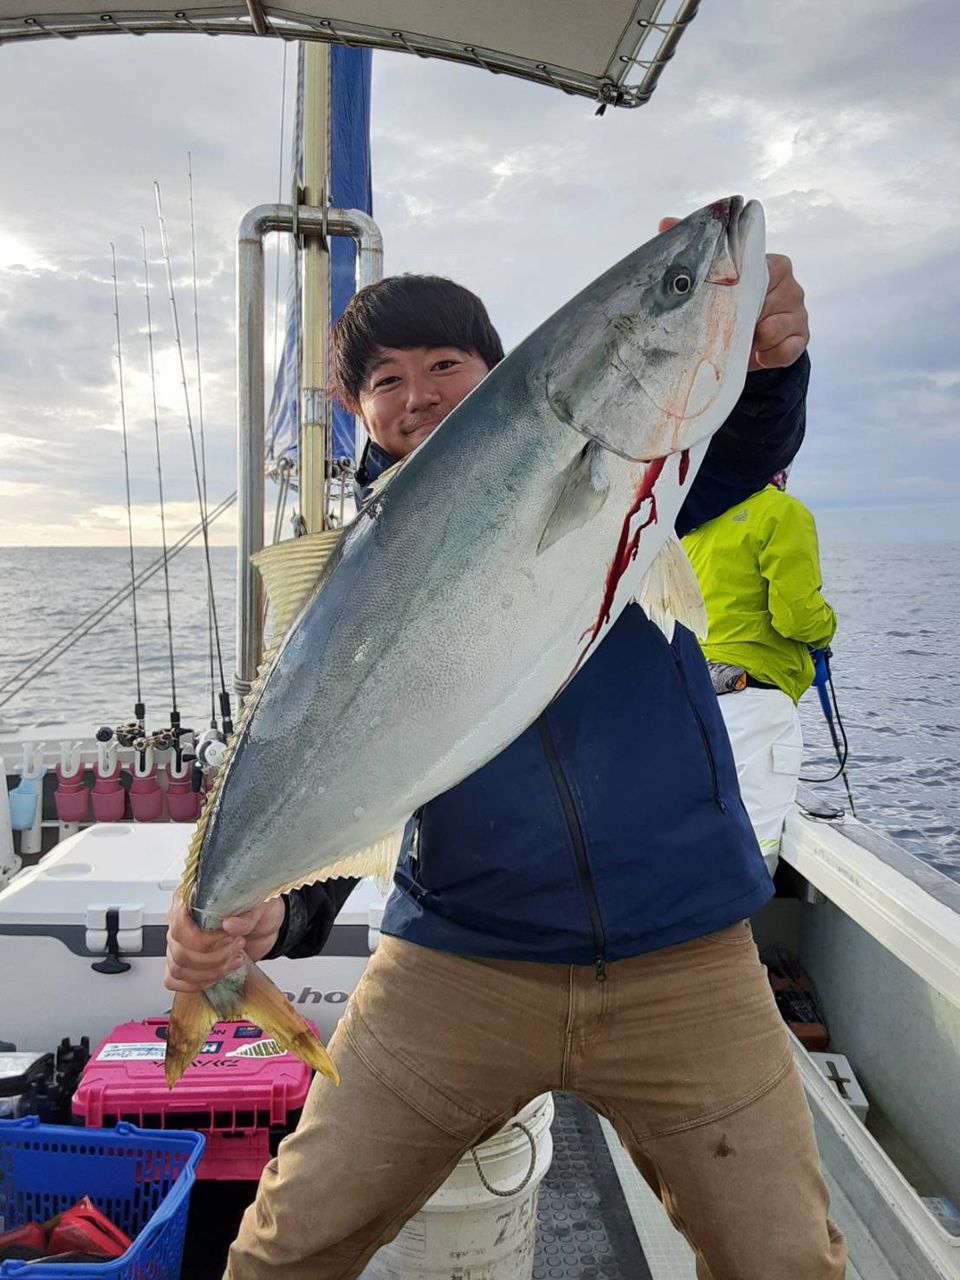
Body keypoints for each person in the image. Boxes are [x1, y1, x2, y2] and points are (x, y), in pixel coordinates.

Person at [166, 240, 848, 1280]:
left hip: (684, 953)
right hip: (457, 962)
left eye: (445, 363)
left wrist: (766, 362)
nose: (416, 392)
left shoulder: (637, 476)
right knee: (284, 1249)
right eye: (384, 378)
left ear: (504, 371)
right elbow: (350, 759)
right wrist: (266, 904)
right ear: (359, 411)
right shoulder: (355, 582)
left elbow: (747, 440)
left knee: (786, 1259)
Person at [682, 468, 837, 875]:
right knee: (751, 851)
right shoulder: (780, 512)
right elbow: (797, 616)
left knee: (700, 840)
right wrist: (826, 630)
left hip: (695, 706)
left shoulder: (696, 529)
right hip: (756, 708)